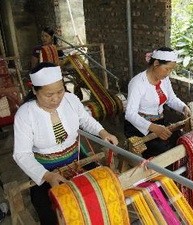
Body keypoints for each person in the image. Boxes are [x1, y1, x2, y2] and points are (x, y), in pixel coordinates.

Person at [13, 62, 118, 225]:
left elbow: (85, 119)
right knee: (50, 211)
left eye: (60, 91)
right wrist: (47, 176)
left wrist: (103, 132)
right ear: (34, 91)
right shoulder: (25, 114)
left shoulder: (70, 99)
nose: (56, 99)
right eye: (49, 95)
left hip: (76, 158)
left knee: (103, 191)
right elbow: (22, 154)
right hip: (45, 168)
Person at [124, 47, 191, 159]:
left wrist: (184, 108)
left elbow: (171, 99)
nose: (168, 73)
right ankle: (162, 176)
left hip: (159, 122)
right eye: (167, 69)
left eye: (171, 70)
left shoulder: (164, 80)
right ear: (156, 63)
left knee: (180, 141)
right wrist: (153, 127)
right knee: (163, 152)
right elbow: (130, 114)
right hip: (139, 127)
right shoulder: (138, 83)